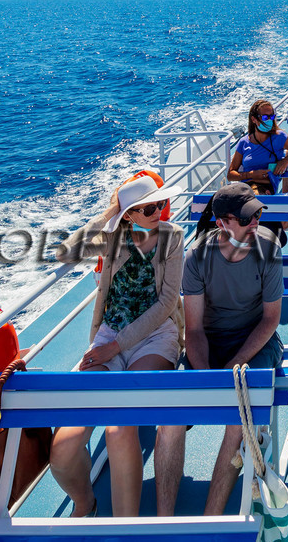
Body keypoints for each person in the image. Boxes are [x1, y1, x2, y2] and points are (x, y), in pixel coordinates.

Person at [50, 173, 186, 518]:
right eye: (148, 208)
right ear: (128, 215)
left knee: (119, 426)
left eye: (160, 203)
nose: (159, 211)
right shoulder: (112, 239)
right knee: (64, 446)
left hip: (156, 336)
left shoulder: (172, 238)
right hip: (110, 335)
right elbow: (65, 253)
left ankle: (127, 528)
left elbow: (167, 303)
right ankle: (86, 502)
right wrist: (112, 211)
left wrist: (117, 348)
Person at [182, 184, 285, 515]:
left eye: (256, 213)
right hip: (210, 342)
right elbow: (194, 329)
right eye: (246, 218)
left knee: (236, 422)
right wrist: (205, 377)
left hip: (256, 340)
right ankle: (161, 523)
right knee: (169, 422)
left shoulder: (268, 249)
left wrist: (236, 364)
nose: (255, 221)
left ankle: (208, 524)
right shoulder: (196, 257)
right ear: (222, 223)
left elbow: (270, 321)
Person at [229, 99, 288, 243]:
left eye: (272, 116)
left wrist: (287, 159)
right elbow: (231, 174)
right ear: (254, 119)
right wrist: (249, 175)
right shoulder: (244, 142)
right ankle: (271, 236)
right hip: (245, 187)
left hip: (265, 188)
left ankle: (259, 240)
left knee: (255, 200)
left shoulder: (279, 137)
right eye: (265, 117)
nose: (270, 120)